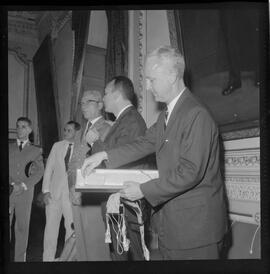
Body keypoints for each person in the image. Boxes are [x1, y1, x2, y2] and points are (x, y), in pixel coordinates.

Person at [82, 45, 228, 260]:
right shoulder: (167, 115)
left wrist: (143, 189)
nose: (148, 87)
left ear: (172, 75)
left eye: (152, 80)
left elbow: (190, 171)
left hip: (197, 230)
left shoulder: (196, 114)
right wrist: (104, 155)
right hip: (173, 226)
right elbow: (144, 143)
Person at [95, 75, 151, 261]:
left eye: (105, 93)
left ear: (117, 95)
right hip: (119, 201)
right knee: (120, 252)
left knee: (127, 253)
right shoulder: (123, 120)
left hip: (125, 203)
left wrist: (96, 142)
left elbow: (120, 160)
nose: (103, 98)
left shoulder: (131, 121)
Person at [67, 89, 111, 261]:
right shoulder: (79, 132)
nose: (83, 106)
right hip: (76, 191)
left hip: (93, 194)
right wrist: (72, 186)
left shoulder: (108, 128)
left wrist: (82, 188)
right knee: (82, 245)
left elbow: (104, 163)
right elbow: (72, 164)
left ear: (100, 105)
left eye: (88, 101)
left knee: (96, 245)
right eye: (82, 102)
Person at [42, 121, 81, 261]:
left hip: (71, 195)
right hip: (53, 194)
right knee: (50, 229)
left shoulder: (83, 148)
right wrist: (45, 191)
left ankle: (66, 260)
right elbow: (49, 169)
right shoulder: (57, 146)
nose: (65, 132)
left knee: (70, 229)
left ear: (77, 132)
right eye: (64, 130)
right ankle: (47, 260)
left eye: (69, 130)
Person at [9, 117, 44, 261]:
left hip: (25, 193)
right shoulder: (9, 147)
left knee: (22, 228)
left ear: (29, 130)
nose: (19, 129)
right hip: (9, 191)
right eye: (17, 126)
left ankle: (19, 260)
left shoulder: (36, 150)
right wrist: (12, 184)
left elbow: (39, 172)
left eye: (23, 126)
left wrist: (23, 186)